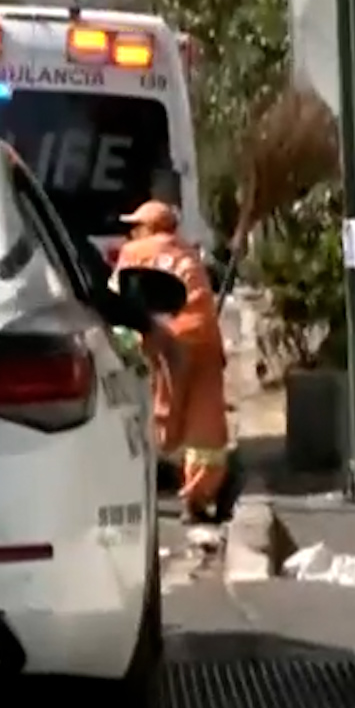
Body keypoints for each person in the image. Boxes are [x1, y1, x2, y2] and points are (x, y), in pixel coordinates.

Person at [112, 200, 232, 524]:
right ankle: (197, 498)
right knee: (204, 429)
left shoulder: (134, 254)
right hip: (202, 343)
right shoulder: (188, 254)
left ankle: (143, 491)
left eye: (135, 226)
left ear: (147, 228)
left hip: (157, 343)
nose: (131, 232)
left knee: (150, 416)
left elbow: (116, 304)